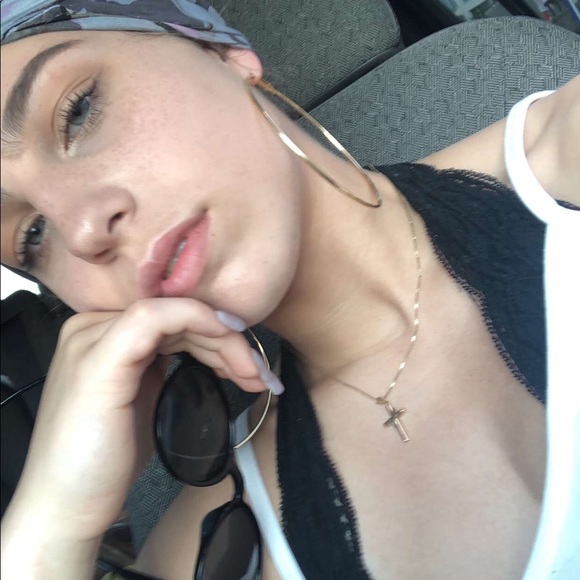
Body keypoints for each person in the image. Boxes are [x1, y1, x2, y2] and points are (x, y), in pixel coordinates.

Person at [1, 1, 579, 579]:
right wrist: (52, 524)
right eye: (32, 235)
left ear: (220, 51)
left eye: (77, 112)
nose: (81, 229)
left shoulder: (564, 153)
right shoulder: (216, 544)